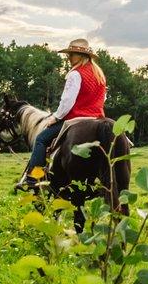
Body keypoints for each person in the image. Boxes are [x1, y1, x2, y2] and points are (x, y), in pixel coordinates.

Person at [15, 38, 107, 189]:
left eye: (72, 54)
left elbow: (67, 101)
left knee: (41, 139)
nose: (69, 57)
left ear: (81, 56)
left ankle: (32, 179)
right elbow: (102, 98)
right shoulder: (99, 75)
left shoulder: (75, 74)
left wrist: (56, 117)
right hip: (97, 118)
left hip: (76, 118)